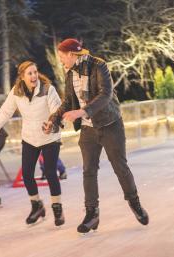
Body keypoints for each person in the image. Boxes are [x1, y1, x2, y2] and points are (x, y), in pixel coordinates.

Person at [48, 38, 148, 233]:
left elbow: (106, 94)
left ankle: (134, 202)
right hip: (88, 129)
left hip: (110, 124)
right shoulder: (69, 73)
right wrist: (53, 118)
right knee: (89, 170)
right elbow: (68, 101)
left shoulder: (98, 65)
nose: (61, 61)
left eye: (61, 57)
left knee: (120, 167)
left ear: (71, 54)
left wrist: (81, 112)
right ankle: (92, 214)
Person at [0, 61, 65, 226]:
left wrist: (52, 123)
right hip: (29, 137)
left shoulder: (47, 89)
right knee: (27, 174)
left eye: (35, 72)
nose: (34, 76)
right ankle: (36, 206)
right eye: (29, 73)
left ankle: (57, 208)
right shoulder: (17, 92)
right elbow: (5, 111)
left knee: (50, 173)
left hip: (49, 136)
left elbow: (57, 110)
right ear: (22, 76)